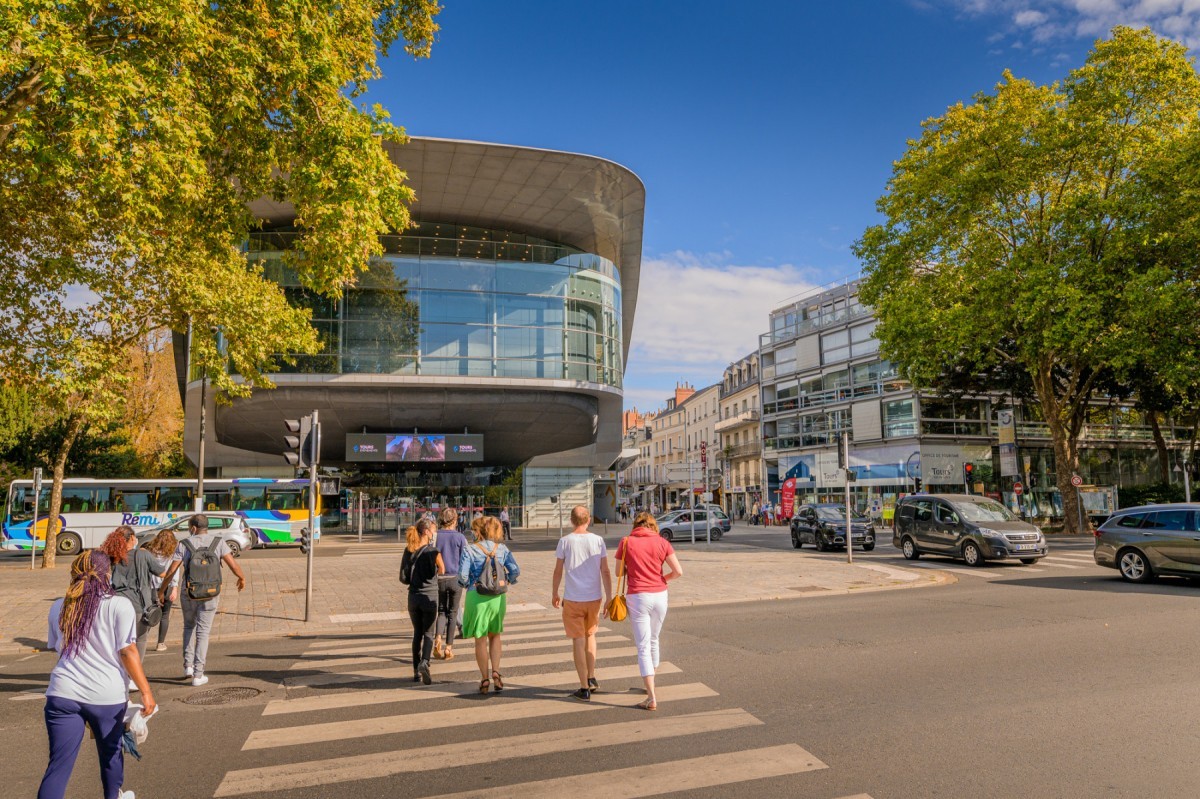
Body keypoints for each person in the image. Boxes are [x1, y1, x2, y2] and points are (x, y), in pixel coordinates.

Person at [39, 550, 154, 799]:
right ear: (107, 574)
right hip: (106, 696)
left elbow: (57, 648)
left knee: (58, 765)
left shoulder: (59, 606)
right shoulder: (119, 605)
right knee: (111, 754)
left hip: (62, 694)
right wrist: (146, 692)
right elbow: (127, 652)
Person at [157, 514, 246, 687]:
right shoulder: (218, 542)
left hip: (188, 592)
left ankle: (188, 667)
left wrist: (162, 591)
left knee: (189, 626)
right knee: (203, 632)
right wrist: (241, 578)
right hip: (211, 593)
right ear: (207, 527)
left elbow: (172, 571)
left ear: (193, 528)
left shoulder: (184, 544)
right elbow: (233, 565)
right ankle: (198, 674)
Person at [616, 512, 683, 711]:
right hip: (660, 595)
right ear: (653, 526)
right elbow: (679, 571)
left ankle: (651, 696)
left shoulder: (626, 542)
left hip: (638, 596)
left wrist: (634, 567)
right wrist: (663, 578)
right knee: (654, 639)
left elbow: (618, 571)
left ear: (635, 525)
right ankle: (650, 681)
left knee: (643, 646)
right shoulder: (663, 542)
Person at [551, 506, 612, 702]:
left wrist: (554, 593)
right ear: (588, 520)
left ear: (571, 520)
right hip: (594, 597)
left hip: (573, 598)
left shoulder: (564, 542)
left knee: (578, 639)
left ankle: (584, 687)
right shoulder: (598, 541)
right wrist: (609, 596)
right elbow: (605, 571)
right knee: (591, 635)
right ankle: (591, 676)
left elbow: (558, 571)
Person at [458, 516, 519, 695]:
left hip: (476, 595)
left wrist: (469, 583)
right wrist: (508, 580)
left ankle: (484, 679)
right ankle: (496, 673)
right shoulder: (502, 549)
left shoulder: (470, 549)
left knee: (480, 639)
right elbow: (515, 570)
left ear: (480, 531)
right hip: (497, 597)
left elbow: (462, 576)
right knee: (495, 635)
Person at [104, 526, 165, 673]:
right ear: (132, 537)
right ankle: (134, 673)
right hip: (138, 603)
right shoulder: (142, 555)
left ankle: (119, 671)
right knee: (140, 639)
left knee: (119, 640)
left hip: (115, 603)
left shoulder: (111, 556)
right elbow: (162, 573)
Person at [399, 519, 444, 684]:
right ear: (426, 532)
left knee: (417, 633)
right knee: (428, 633)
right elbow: (443, 569)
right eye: (432, 531)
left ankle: (415, 671)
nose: (434, 534)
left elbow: (403, 577)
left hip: (413, 597)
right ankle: (425, 662)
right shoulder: (433, 551)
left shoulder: (408, 550)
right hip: (430, 596)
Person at [432, 507, 467, 661]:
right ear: (455, 520)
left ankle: (437, 639)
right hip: (455, 579)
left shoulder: (435, 536)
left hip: (439, 579)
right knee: (452, 614)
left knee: (441, 611)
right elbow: (464, 560)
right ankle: (449, 648)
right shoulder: (460, 537)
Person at [142, 529, 179, 652]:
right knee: (165, 615)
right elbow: (174, 571)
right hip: (166, 587)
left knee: (148, 614)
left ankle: (142, 640)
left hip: (150, 588)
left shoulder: (149, 552)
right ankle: (160, 643)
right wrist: (175, 587)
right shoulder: (173, 553)